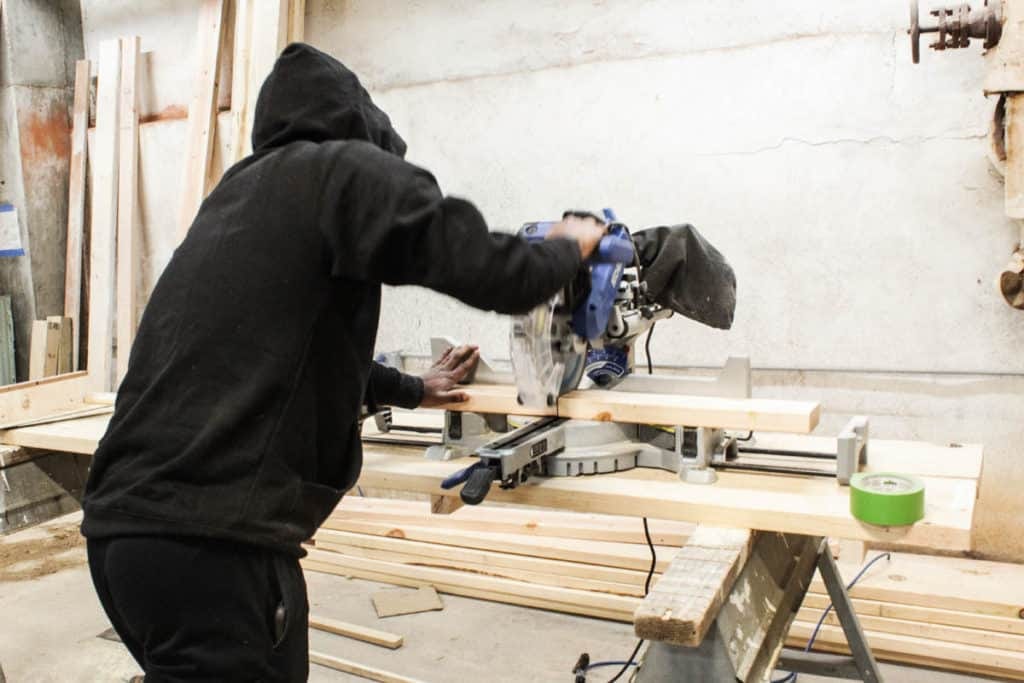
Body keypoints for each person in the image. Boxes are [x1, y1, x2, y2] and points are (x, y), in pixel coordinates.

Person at [80, 43, 605, 682]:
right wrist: (568, 250)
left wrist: (416, 390)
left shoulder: (236, 196)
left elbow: (282, 349)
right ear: (362, 126)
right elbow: (491, 271)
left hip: (122, 544)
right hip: (214, 549)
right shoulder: (344, 171)